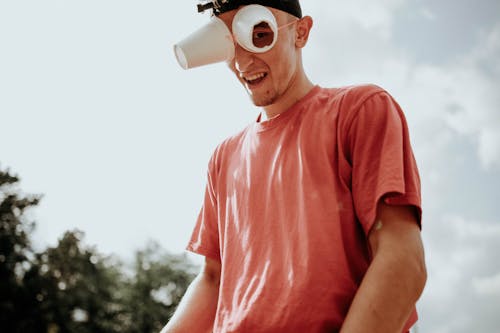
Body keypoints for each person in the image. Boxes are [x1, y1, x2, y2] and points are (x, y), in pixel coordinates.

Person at [161, 1, 426, 332]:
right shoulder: (224, 157)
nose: (243, 61)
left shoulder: (360, 111)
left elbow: (402, 258)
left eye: (259, 34)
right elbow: (213, 280)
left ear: (301, 32)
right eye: (228, 43)